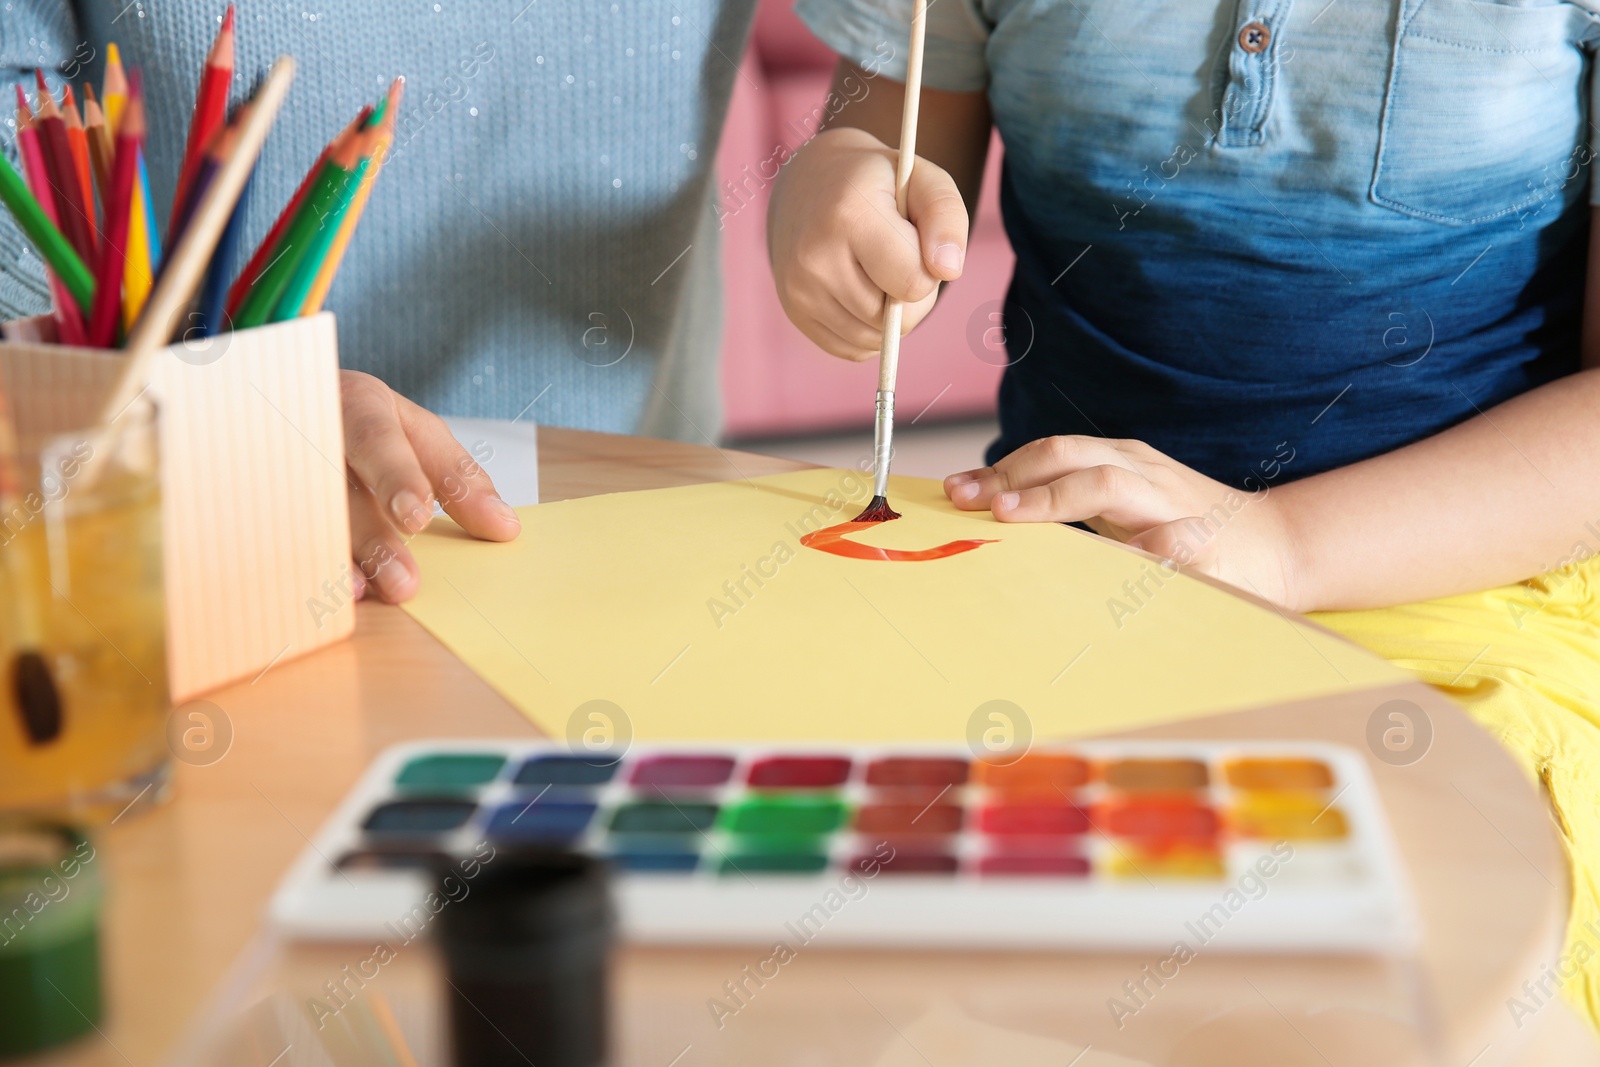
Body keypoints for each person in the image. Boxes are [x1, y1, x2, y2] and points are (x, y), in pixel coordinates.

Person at [770, 0, 1600, 1027]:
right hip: (1048, 572)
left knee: (1419, 995)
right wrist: (829, 180)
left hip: (1462, 593)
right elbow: (883, 142)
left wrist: (1284, 545)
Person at [0, 0, 756, 601]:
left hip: (645, 479)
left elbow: (878, 43)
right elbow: (24, 137)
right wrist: (204, 411)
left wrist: (847, 140)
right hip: (202, 543)